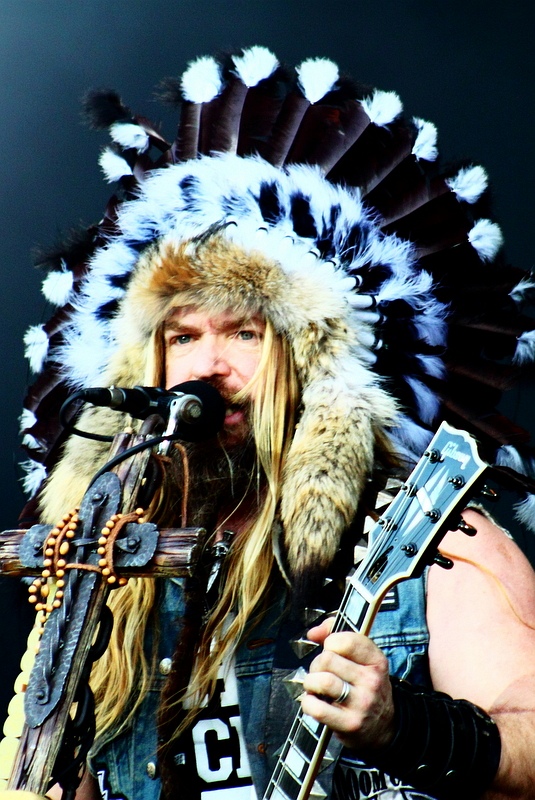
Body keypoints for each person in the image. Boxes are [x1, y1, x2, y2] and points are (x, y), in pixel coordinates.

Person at [19, 47, 535, 800]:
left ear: (312, 365)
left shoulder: (434, 538)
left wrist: (405, 727)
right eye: (182, 337)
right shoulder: (110, 567)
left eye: (245, 333)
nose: (206, 366)